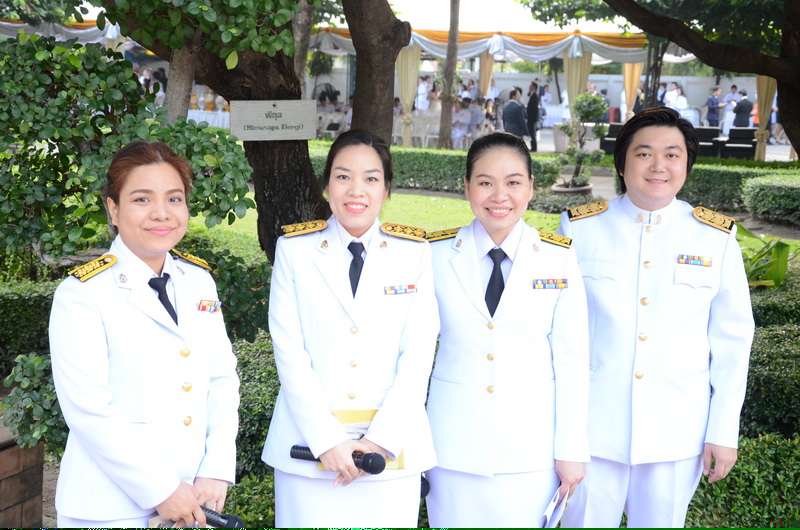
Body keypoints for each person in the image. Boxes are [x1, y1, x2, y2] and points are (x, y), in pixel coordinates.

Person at [557, 107, 754, 528]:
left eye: (672, 155)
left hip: (676, 430)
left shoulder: (715, 236)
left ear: (687, 165)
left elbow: (733, 342)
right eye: (644, 153)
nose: (658, 166)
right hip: (592, 429)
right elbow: (555, 330)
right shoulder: (579, 228)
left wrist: (723, 430)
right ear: (623, 163)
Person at [49, 141, 240, 528]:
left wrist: (216, 468)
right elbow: (88, 409)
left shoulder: (198, 281)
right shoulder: (82, 293)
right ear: (113, 209)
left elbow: (221, 378)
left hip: (196, 497)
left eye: (174, 198)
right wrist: (162, 490)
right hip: (109, 508)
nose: (161, 213)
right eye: (141, 199)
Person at [261, 129, 439, 527]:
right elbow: (289, 352)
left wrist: (380, 440)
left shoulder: (413, 253)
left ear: (386, 189)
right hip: (307, 449)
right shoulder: (295, 249)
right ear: (327, 185)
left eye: (371, 178)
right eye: (343, 176)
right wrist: (327, 440)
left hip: (391, 452)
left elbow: (418, 353)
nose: (356, 190)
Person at [425, 132, 590, 527]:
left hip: (531, 450)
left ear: (531, 187)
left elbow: (572, 359)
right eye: (485, 182)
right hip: (451, 446)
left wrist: (571, 449)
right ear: (467, 187)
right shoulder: (433, 255)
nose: (499, 195)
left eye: (513, 182)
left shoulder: (558, 258)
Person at [526, 81, 540, 151]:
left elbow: (534, 108)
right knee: (531, 132)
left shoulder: (535, 96)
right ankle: (532, 146)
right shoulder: (532, 95)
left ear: (534, 87)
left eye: (531, 86)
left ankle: (534, 147)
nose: (529, 87)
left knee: (532, 133)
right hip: (530, 117)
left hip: (532, 118)